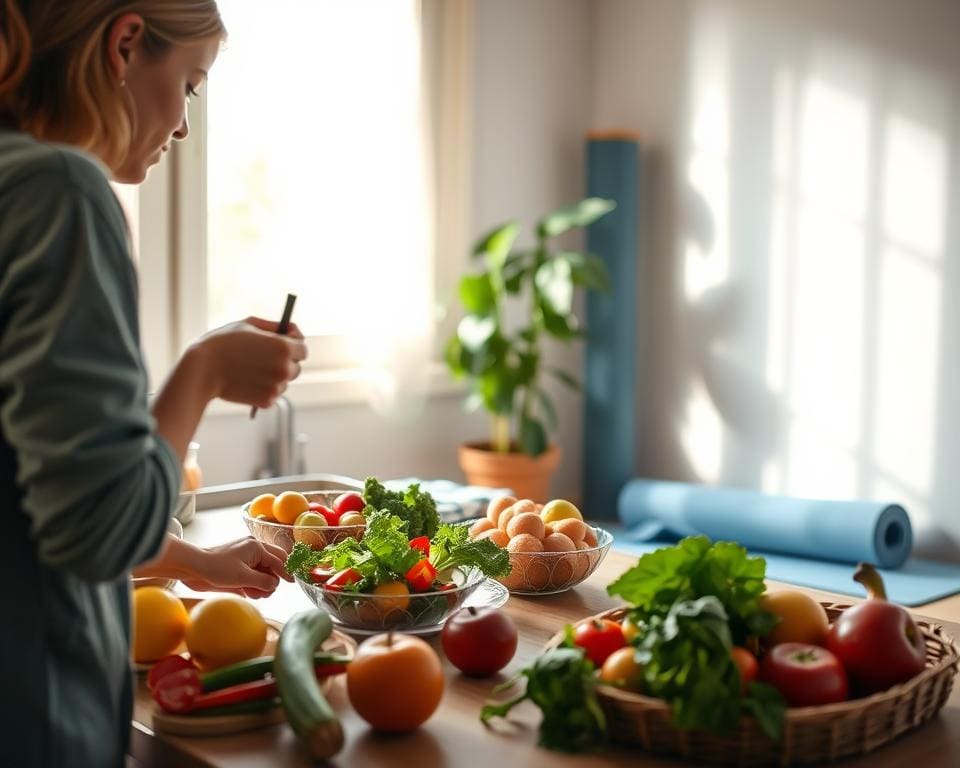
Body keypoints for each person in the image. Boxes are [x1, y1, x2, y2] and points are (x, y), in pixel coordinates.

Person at [0, 2, 306, 766]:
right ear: (127, 44)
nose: (183, 127)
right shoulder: (55, 193)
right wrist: (201, 374)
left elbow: (40, 500)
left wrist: (193, 564)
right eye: (191, 87)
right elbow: (99, 528)